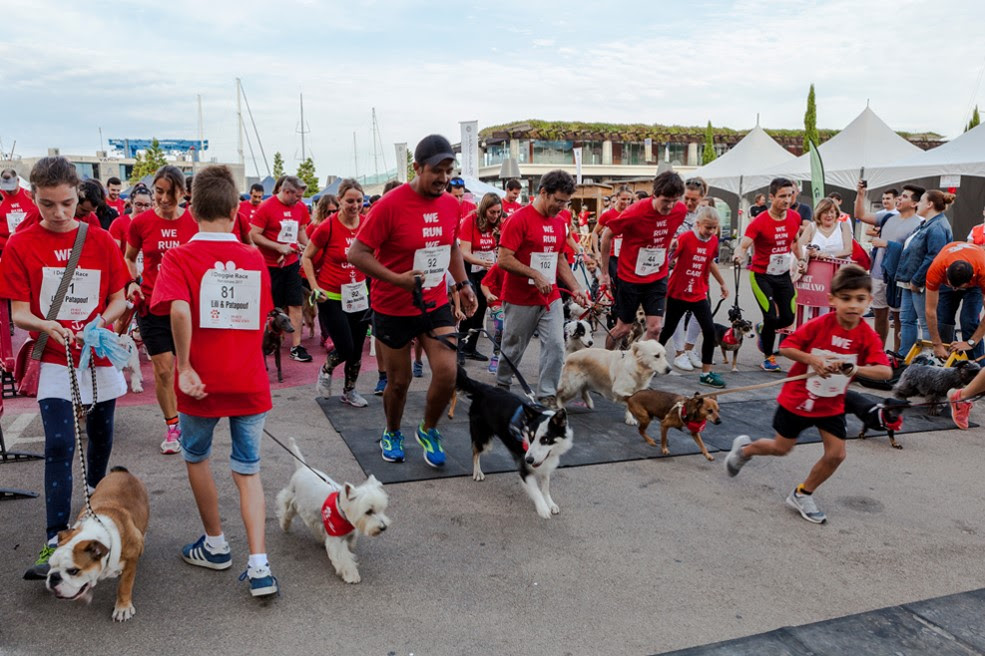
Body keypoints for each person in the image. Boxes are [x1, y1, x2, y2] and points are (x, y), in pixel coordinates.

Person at [149, 164, 278, 597]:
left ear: (192, 206)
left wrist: (184, 366)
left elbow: (178, 310)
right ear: (237, 208)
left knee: (197, 455)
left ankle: (216, 542)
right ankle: (259, 564)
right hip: (248, 380)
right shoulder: (254, 258)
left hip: (200, 382)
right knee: (248, 470)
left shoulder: (178, 257)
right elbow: (260, 318)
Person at [0, 156, 129, 579]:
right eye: (47, 204)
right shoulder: (19, 244)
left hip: (96, 354)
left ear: (79, 196)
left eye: (67, 204)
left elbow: (119, 297)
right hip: (54, 356)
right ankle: (55, 537)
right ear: (33, 197)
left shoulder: (102, 240)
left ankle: (93, 500)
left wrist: (102, 322)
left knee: (100, 435)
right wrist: (47, 325)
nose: (58, 213)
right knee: (58, 443)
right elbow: (19, 312)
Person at [725, 265, 891, 523]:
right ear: (831, 299)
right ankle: (744, 451)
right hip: (798, 398)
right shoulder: (819, 325)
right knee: (781, 448)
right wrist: (812, 360)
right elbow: (788, 347)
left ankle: (802, 493)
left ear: (869, 301)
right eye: (845, 298)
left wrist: (856, 368)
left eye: (860, 299)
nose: (852, 306)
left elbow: (885, 371)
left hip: (832, 403)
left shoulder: (867, 335)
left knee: (836, 454)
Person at [348, 134, 477, 467]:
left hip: (434, 303)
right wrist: (397, 279)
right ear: (417, 167)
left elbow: (450, 246)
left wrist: (462, 284)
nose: (444, 178)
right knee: (400, 382)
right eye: (437, 170)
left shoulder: (452, 203)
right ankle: (392, 431)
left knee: (448, 372)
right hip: (392, 306)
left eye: (449, 170)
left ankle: (428, 429)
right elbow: (356, 253)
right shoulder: (389, 205)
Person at [495, 169, 590, 405]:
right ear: (543, 192)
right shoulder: (518, 219)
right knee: (513, 347)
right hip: (520, 298)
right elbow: (504, 259)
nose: (561, 207)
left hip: (551, 298)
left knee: (557, 346)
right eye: (558, 201)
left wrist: (576, 287)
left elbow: (559, 258)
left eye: (565, 203)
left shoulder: (560, 223)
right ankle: (502, 385)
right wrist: (534, 274)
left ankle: (547, 396)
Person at [126, 165, 199, 454]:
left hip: (187, 307)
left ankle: (192, 420)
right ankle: (172, 427)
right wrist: (132, 282)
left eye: (171, 193)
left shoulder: (195, 221)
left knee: (190, 368)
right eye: (159, 191)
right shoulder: (141, 223)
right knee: (164, 370)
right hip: (153, 305)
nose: (164, 198)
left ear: (184, 193)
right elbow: (129, 258)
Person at [599, 172, 687, 348]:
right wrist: (605, 273)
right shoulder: (635, 212)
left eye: (674, 201)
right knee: (623, 328)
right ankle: (606, 360)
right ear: (654, 195)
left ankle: (640, 366)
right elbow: (606, 236)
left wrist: (669, 244)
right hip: (630, 277)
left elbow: (666, 232)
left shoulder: (680, 211)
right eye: (665, 201)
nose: (670, 206)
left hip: (657, 276)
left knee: (655, 328)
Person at [304, 179, 370, 407]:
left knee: (357, 349)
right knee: (345, 347)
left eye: (359, 201)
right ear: (340, 200)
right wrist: (315, 287)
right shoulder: (328, 226)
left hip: (359, 295)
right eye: (350, 201)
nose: (355, 205)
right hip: (331, 296)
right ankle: (326, 368)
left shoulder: (366, 224)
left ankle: (349, 391)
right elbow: (306, 257)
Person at [732, 177, 806, 372]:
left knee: (789, 318)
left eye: (790, 195)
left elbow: (795, 242)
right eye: (782, 196)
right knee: (771, 317)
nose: (787, 200)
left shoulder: (794, 218)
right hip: (761, 276)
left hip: (782, 276)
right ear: (771, 197)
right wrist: (738, 254)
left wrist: (802, 259)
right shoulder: (759, 222)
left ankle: (763, 329)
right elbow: (744, 244)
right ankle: (768, 357)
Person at [658, 207, 729, 388]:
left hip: (698, 293)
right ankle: (650, 363)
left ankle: (706, 373)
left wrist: (722, 283)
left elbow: (710, 262)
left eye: (714, 228)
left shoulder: (713, 241)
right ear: (697, 224)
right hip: (678, 292)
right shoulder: (686, 238)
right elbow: (670, 258)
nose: (711, 232)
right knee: (667, 330)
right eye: (708, 227)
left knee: (709, 330)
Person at [249, 175, 312, 363]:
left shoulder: (299, 208)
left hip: (291, 263)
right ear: (286, 192)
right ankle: (268, 341)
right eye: (297, 196)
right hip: (269, 265)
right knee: (271, 307)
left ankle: (296, 346)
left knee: (296, 304)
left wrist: (307, 247)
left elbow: (301, 231)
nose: (300, 201)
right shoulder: (266, 207)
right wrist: (277, 247)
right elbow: (254, 235)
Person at [856, 183, 923, 350]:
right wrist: (860, 193)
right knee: (879, 315)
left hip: (898, 278)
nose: (899, 198)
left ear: (914, 203)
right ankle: (878, 353)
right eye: (900, 195)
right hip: (878, 274)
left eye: (905, 196)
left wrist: (887, 244)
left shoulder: (920, 223)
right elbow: (860, 214)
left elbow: (915, 253)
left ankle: (897, 356)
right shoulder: (887, 217)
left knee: (899, 318)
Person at [895, 190, 954, 358]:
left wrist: (916, 279)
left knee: (926, 323)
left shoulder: (937, 226)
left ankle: (928, 359)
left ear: (929, 204)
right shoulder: (928, 223)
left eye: (921, 201)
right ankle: (905, 356)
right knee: (906, 320)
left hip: (920, 282)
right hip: (910, 281)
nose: (918, 204)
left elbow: (933, 257)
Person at [669, 177, 710, 370]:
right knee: (675, 312)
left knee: (702, 310)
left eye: (694, 199)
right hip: (675, 267)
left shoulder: (705, 215)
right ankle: (678, 353)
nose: (689, 203)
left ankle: (689, 348)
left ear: (702, 198)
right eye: (686, 198)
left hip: (698, 268)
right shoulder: (675, 212)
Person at [458, 192, 503, 361]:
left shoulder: (497, 223)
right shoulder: (470, 221)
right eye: (492, 212)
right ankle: (459, 349)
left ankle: (471, 348)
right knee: (471, 305)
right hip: (470, 267)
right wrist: (482, 262)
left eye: (498, 212)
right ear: (484, 209)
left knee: (483, 306)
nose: (495, 216)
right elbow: (464, 252)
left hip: (486, 269)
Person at [924, 242, 985, 361]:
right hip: (948, 271)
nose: (955, 290)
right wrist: (937, 345)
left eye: (958, 287)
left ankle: (978, 369)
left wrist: (971, 342)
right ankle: (953, 366)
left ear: (971, 279)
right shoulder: (936, 269)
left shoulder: (982, 272)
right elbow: (930, 310)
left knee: (968, 321)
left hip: (975, 285)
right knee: (944, 322)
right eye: (952, 286)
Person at [0, 167, 37, 253]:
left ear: (18, 181)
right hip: (3, 247)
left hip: (25, 245)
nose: (9, 190)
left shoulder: (29, 195)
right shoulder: (0, 196)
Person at [480, 261, 506, 374]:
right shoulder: (499, 265)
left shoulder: (525, 265)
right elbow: (484, 283)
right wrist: (488, 295)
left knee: (515, 332)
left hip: (517, 303)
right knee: (500, 326)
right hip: (498, 302)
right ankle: (496, 356)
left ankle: (510, 361)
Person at [109, 184, 152, 252]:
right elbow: (113, 253)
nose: (143, 209)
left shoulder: (156, 224)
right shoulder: (119, 223)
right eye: (139, 204)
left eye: (147, 205)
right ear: (131, 203)